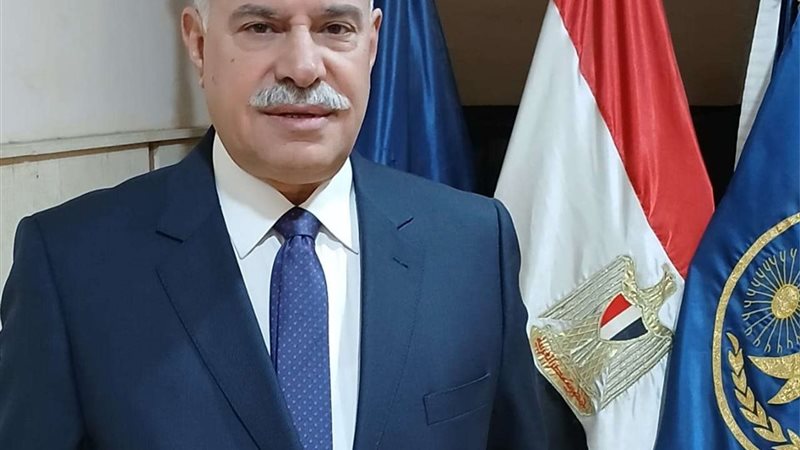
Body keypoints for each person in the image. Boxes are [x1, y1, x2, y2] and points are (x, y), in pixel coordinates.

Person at [0, 1, 576, 448]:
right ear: (198, 44)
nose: (303, 67)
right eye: (261, 27)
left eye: (335, 28)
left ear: (372, 43)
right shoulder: (71, 265)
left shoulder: (472, 244)